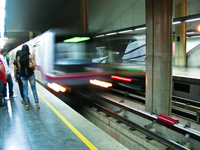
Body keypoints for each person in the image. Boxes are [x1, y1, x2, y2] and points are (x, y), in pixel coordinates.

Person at [18, 44, 40, 110]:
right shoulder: (30, 56)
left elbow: (19, 67)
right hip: (30, 74)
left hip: (23, 75)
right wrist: (31, 66)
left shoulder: (19, 57)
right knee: (33, 89)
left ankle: (26, 105)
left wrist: (21, 73)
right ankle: (37, 103)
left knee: (25, 90)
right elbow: (35, 65)